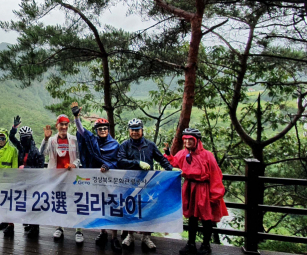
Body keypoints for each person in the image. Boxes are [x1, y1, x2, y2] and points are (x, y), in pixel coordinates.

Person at [117, 118, 177, 252]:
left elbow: (161, 159)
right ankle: (130, 235)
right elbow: (120, 161)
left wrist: (170, 169)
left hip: (147, 183)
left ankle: (146, 237)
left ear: (142, 130)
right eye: (132, 130)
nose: (135, 132)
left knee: (148, 209)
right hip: (131, 183)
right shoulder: (125, 145)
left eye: (137, 130)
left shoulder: (150, 145)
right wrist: (137, 163)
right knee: (131, 208)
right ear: (129, 131)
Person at [165, 129, 228, 255]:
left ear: (197, 141)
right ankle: (191, 243)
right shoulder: (183, 153)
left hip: (204, 189)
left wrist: (216, 194)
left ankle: (206, 245)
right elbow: (175, 162)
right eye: (186, 139)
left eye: (190, 139)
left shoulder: (207, 155)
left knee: (206, 218)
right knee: (192, 218)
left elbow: (216, 174)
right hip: (190, 188)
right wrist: (168, 154)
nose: (187, 142)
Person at [70, 102, 122, 251]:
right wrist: (76, 117)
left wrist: (109, 166)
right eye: (100, 129)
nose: (103, 131)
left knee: (112, 207)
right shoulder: (93, 140)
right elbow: (81, 132)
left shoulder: (114, 144)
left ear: (108, 130)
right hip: (97, 180)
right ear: (97, 131)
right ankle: (102, 233)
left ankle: (114, 237)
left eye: (105, 128)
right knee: (100, 207)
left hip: (110, 181)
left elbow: (117, 161)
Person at [41, 114, 82, 244]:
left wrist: (74, 164)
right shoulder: (52, 140)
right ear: (57, 126)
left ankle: (78, 230)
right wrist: (45, 139)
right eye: (61, 124)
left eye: (66, 125)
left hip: (72, 176)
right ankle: (59, 227)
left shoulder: (74, 140)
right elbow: (42, 153)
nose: (64, 127)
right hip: (56, 177)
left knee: (75, 202)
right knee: (59, 201)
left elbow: (80, 157)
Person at [9, 116, 44, 238]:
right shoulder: (22, 148)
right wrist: (14, 128)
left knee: (33, 204)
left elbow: (40, 170)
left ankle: (35, 228)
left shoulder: (36, 152)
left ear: (31, 138)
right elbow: (11, 138)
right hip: (23, 181)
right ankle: (29, 223)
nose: (24, 140)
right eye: (22, 138)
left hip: (33, 183)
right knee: (26, 203)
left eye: (26, 138)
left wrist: (26, 169)